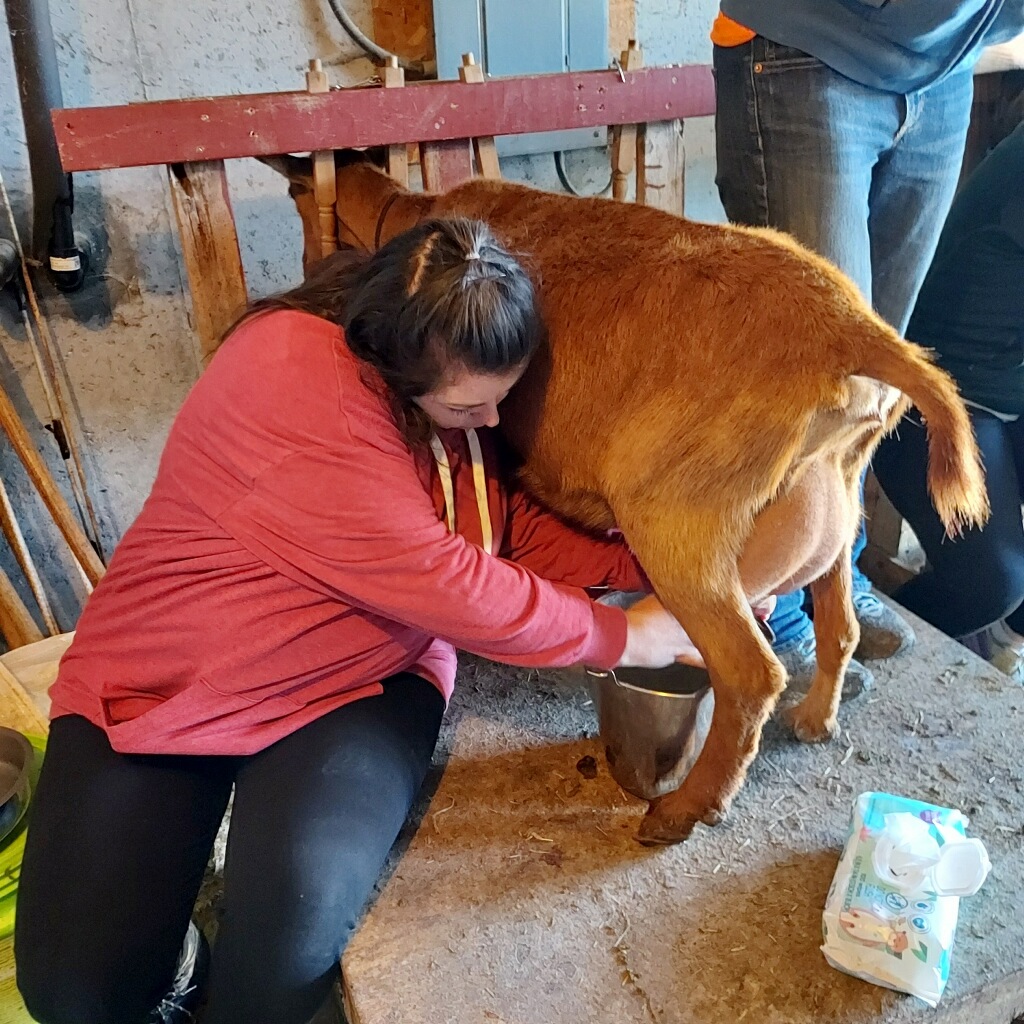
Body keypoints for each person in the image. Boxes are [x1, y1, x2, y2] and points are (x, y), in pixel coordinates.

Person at [14, 218, 702, 1024]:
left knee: (282, 956)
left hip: (358, 679)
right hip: (174, 669)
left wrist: (661, 568)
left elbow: (494, 516)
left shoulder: (431, 379)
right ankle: (171, 968)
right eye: (470, 405)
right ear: (399, 361)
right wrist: (626, 634)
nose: (488, 421)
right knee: (73, 994)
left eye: (501, 402)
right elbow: (451, 582)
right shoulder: (296, 380)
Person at [711, 0, 1024, 696]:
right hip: (812, 45)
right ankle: (778, 599)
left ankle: (834, 573)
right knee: (812, 380)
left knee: (873, 381)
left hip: (944, 66)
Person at [873, 119, 1024, 679]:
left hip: (1004, 389)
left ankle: (1000, 637)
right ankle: (871, 657)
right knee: (992, 581)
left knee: (1003, 586)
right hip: (928, 399)